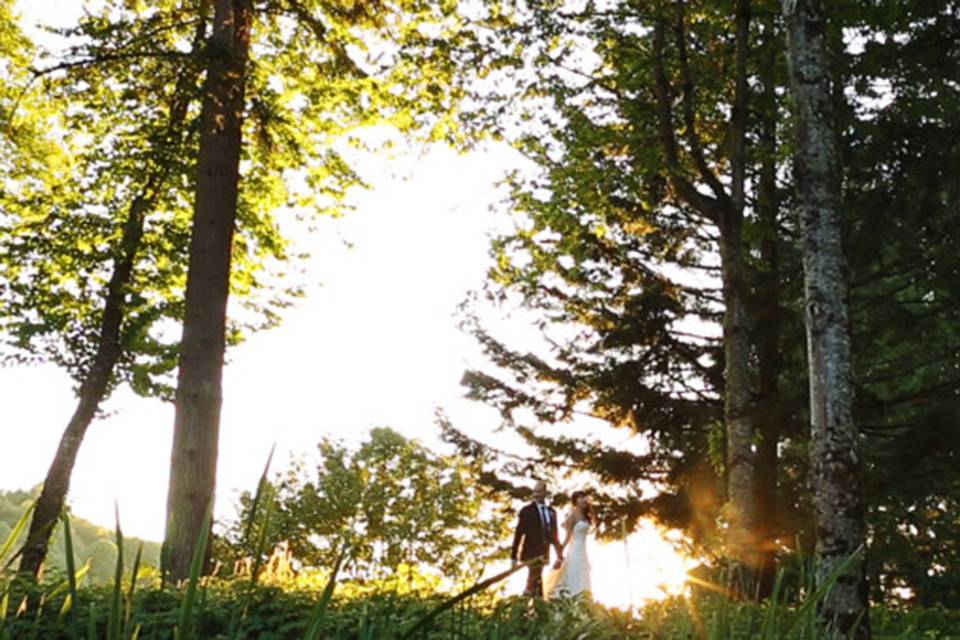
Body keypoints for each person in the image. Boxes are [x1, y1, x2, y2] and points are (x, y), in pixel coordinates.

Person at [511, 480, 564, 597]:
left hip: (544, 552)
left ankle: (534, 607)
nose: (536, 494)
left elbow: (555, 536)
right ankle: (523, 604)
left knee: (537, 579)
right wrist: (514, 556)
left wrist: (559, 556)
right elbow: (518, 534)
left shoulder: (551, 512)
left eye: (539, 492)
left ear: (545, 493)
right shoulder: (527, 511)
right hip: (531, 552)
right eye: (535, 492)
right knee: (533, 577)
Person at [545, 490, 592, 598]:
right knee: (574, 571)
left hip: (583, 549)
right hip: (575, 548)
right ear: (575, 501)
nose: (583, 499)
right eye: (580, 498)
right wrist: (560, 553)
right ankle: (573, 596)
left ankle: (583, 598)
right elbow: (568, 536)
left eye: (584, 497)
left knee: (583, 572)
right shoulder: (573, 515)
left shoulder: (585, 515)